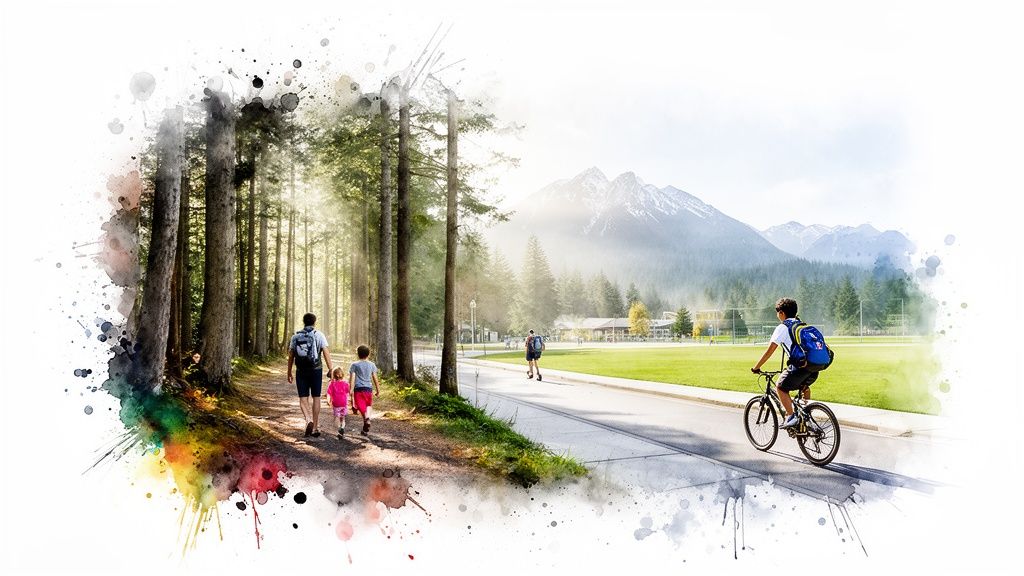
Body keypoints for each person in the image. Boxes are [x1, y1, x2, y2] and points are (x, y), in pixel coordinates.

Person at [751, 297, 818, 429]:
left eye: (777, 312)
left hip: (799, 367)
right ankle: (806, 417)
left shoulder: (783, 327)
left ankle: (792, 416)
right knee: (804, 387)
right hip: (813, 367)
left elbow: (769, 351)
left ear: (782, 313)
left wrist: (756, 367)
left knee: (780, 387)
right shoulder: (801, 324)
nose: (777, 315)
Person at [287, 312, 333, 437]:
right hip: (316, 370)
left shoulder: (295, 337)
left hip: (301, 370)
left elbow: (291, 355)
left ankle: (308, 419)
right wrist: (331, 369)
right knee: (316, 398)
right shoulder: (319, 335)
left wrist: (289, 372)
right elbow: (326, 353)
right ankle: (316, 428)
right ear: (314, 322)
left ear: (303, 322)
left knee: (303, 398)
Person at [348, 344, 381, 435]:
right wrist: (378, 390)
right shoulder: (372, 365)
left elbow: (352, 378)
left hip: (358, 389)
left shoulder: (354, 365)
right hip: (368, 389)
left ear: (358, 354)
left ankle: (366, 419)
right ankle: (366, 424)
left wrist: (350, 389)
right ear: (368, 354)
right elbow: (375, 378)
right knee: (368, 405)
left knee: (360, 406)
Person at [326, 367, 351, 439]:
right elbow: (348, 392)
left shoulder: (332, 384)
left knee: (337, 417)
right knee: (342, 418)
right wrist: (350, 400)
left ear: (334, 375)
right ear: (342, 374)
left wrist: (328, 401)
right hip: (344, 403)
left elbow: (328, 393)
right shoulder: (346, 383)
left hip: (336, 403)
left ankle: (339, 429)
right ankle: (342, 428)